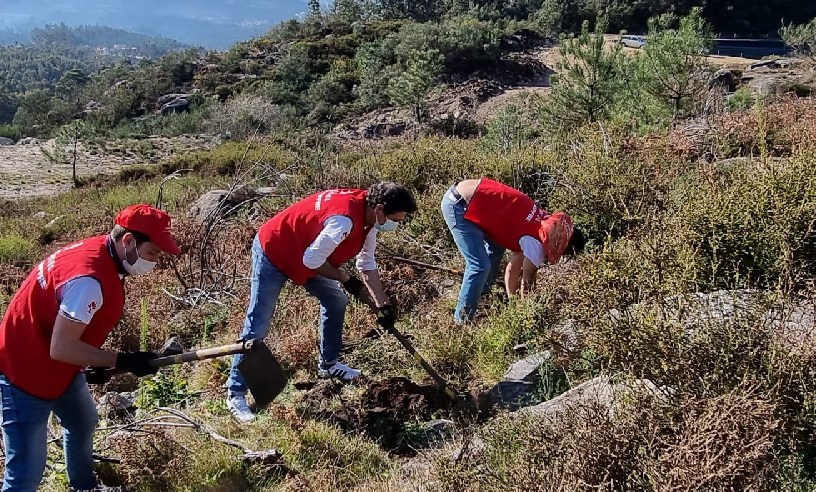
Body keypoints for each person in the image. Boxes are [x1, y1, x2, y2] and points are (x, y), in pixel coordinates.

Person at [0, 204, 181, 492]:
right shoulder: (88, 279)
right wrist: (122, 360)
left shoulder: (100, 254)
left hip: (58, 367)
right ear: (127, 241)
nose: (155, 262)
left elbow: (65, 340)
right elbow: (61, 347)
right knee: (25, 475)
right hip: (20, 374)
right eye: (153, 252)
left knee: (82, 421)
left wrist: (93, 365)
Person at [226, 182, 418, 423]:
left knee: (336, 300)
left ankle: (329, 364)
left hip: (308, 253)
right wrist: (346, 279)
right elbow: (312, 260)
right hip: (275, 252)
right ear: (379, 209)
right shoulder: (345, 220)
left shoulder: (370, 217)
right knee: (259, 323)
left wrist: (383, 304)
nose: (396, 224)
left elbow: (366, 262)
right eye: (396, 219)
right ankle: (235, 393)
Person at [442, 178, 584, 324]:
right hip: (459, 205)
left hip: (469, 195)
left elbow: (513, 267)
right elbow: (527, 280)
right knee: (479, 266)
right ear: (564, 245)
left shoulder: (544, 223)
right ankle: (461, 322)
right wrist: (525, 312)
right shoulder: (538, 243)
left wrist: (512, 300)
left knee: (496, 247)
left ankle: (483, 293)